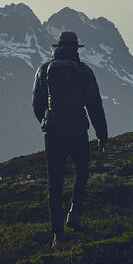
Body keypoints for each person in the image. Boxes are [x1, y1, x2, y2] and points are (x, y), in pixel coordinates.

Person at [33, 30, 108, 248]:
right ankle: (74, 212)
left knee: (54, 184)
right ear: (76, 49)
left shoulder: (43, 70)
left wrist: (46, 122)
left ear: (57, 49)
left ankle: (57, 235)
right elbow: (95, 106)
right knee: (82, 172)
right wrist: (102, 135)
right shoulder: (84, 71)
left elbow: (36, 103)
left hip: (54, 133)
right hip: (78, 131)